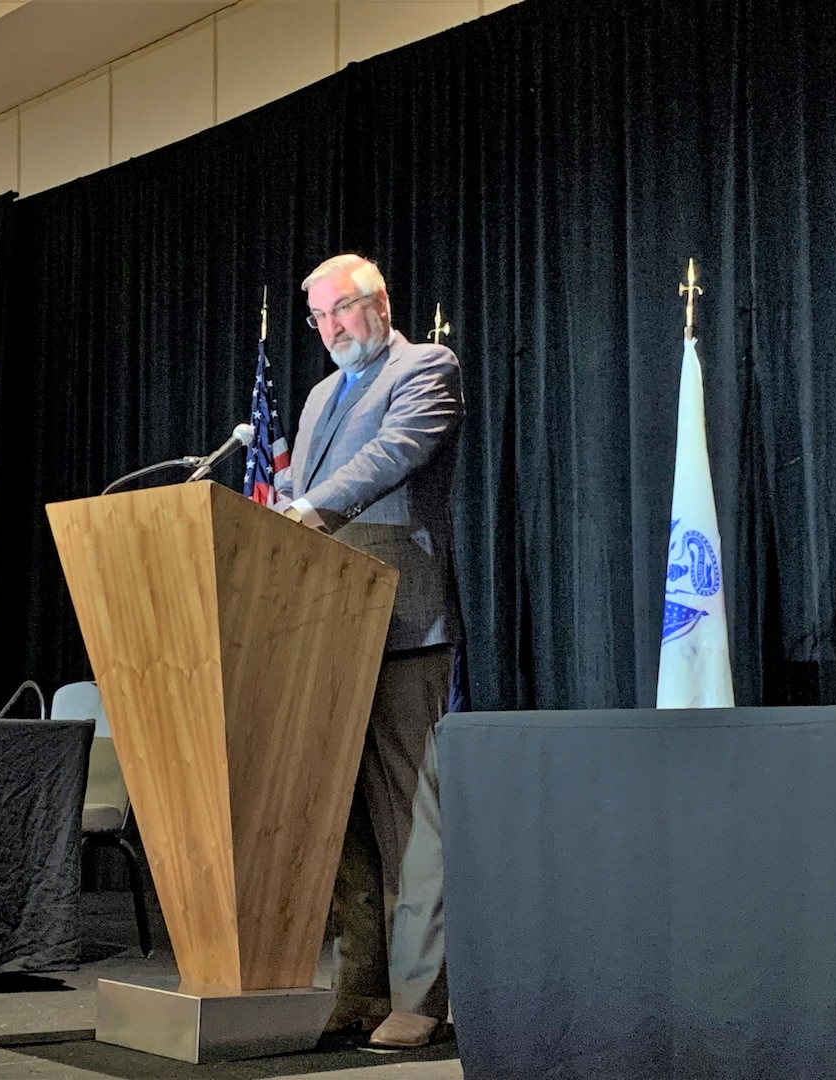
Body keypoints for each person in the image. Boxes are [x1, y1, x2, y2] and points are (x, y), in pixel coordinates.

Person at [277, 253, 460, 1049]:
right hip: (324, 633)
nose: (329, 331)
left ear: (379, 302)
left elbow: (393, 455)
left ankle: (422, 1000)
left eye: (340, 312)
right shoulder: (319, 396)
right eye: (317, 319)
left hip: (402, 624)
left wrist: (309, 509)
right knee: (342, 824)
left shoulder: (426, 368)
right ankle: (360, 991)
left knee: (409, 822)